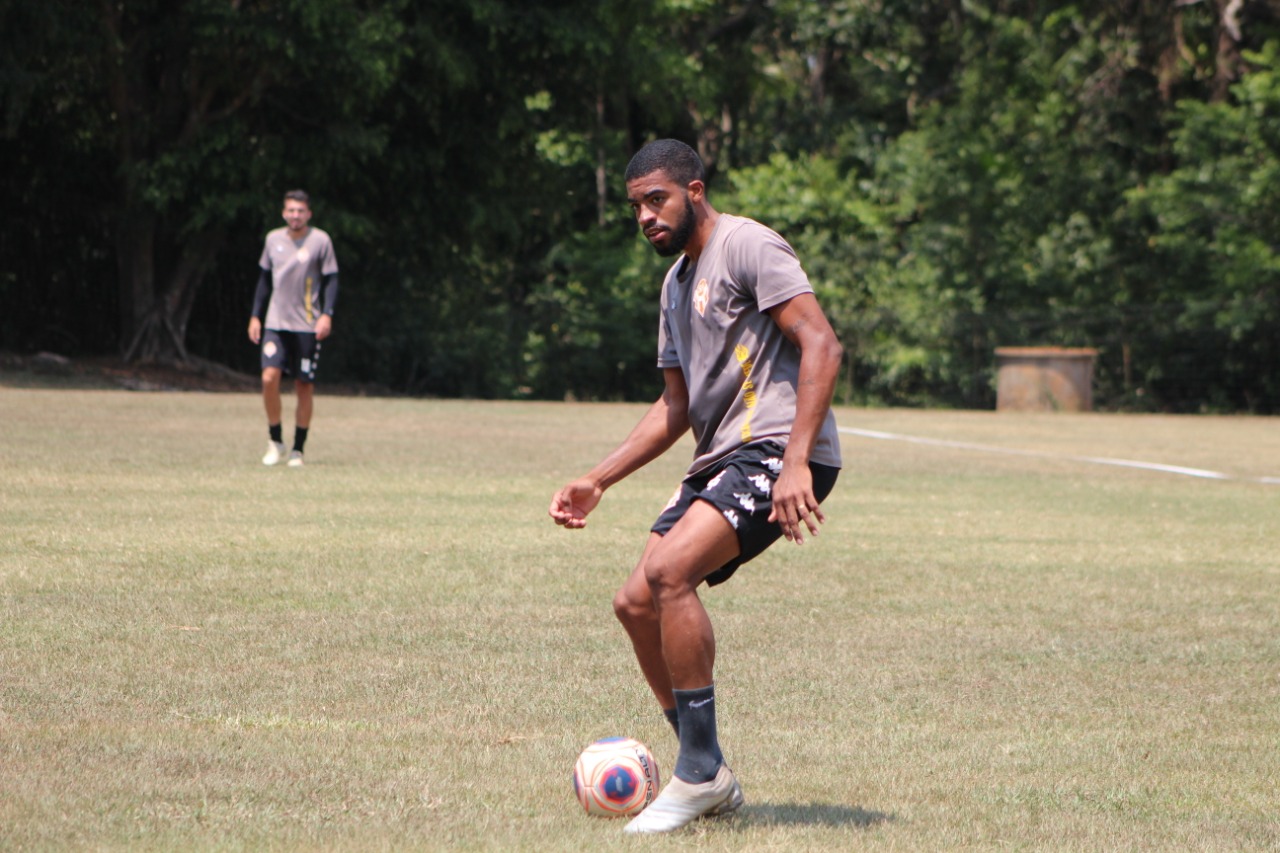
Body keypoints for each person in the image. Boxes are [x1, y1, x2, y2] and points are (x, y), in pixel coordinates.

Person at [548, 139, 844, 834]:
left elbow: (822, 344)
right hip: (721, 457)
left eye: (658, 200)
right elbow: (675, 408)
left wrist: (797, 460)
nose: (646, 216)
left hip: (776, 445)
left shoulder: (748, 246)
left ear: (695, 190)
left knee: (672, 571)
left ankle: (698, 772)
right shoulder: (675, 285)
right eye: (636, 207)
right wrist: (599, 479)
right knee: (633, 600)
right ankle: (705, 768)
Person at [247, 189, 339, 467]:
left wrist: (327, 314)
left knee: (304, 386)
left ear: (308, 213)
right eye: (290, 210)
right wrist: (255, 316)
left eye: (300, 211)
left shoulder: (320, 240)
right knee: (268, 378)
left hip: (308, 326)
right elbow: (264, 281)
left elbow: (332, 279)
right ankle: (275, 440)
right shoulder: (273, 239)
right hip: (276, 323)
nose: (295, 215)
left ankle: (298, 448)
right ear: (283, 212)